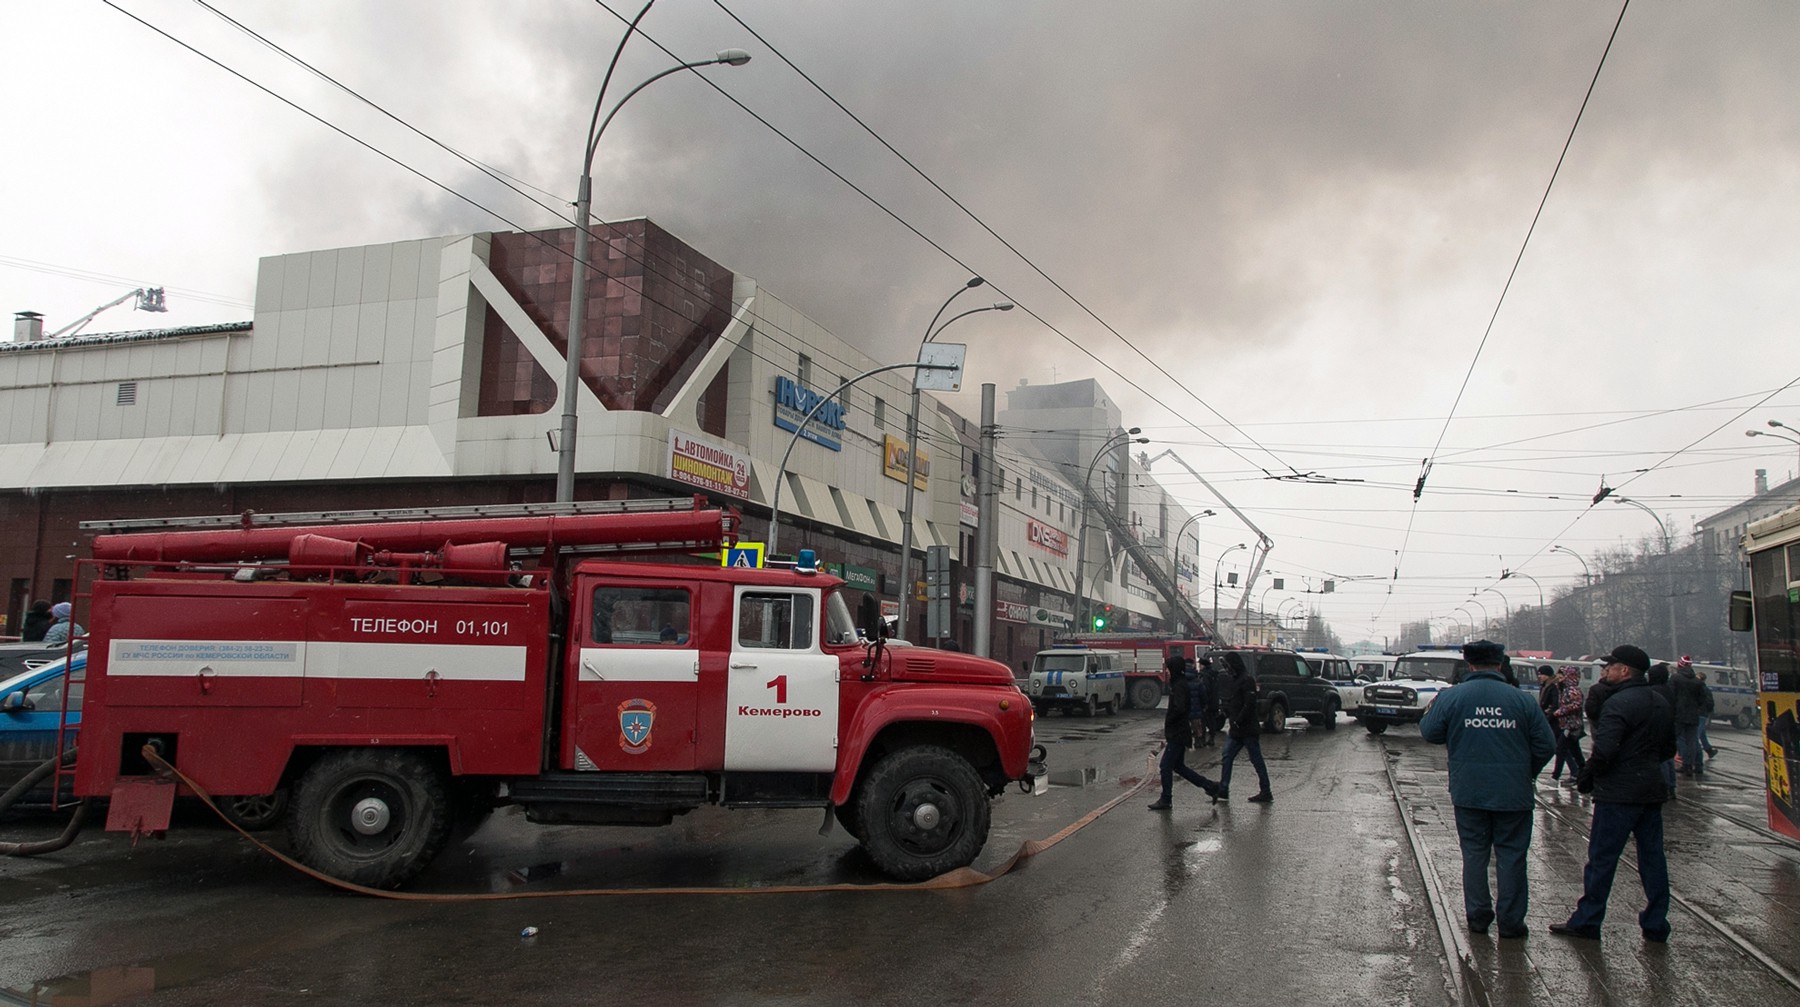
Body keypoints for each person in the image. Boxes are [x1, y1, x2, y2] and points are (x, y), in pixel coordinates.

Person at [1420, 640, 1556, 939]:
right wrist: (1526, 772)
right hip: (1514, 794)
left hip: (1469, 791)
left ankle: (1478, 917)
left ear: (1469, 665)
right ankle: (1511, 922)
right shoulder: (1522, 700)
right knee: (1512, 856)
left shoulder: (1452, 696)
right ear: (1499, 664)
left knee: (1474, 854)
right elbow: (1547, 744)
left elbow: (1430, 733)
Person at [1551, 643, 1677, 943]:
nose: (1604, 671)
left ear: (1624, 671)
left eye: (1609, 667)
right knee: (1652, 859)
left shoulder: (1617, 704)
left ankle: (1588, 920)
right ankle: (1656, 922)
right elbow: (1669, 749)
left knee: (1602, 859)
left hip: (1618, 794)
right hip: (1650, 790)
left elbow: (1604, 749)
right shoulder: (1659, 702)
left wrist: (1587, 775)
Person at [1147, 656, 1220, 810]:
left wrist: (1171, 721)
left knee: (1165, 766)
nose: (1166, 672)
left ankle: (1166, 799)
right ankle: (1210, 786)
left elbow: (1180, 708)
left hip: (1178, 733)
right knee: (1179, 767)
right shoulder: (1179, 684)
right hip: (1179, 732)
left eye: (1168, 669)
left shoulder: (1179, 686)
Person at [1215, 652, 1272, 803]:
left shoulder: (1246, 680)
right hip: (1237, 730)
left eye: (1228, 665)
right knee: (1227, 757)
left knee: (1256, 760)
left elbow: (1249, 704)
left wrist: (1237, 721)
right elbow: (1235, 702)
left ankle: (1266, 791)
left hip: (1247, 729)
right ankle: (1223, 789)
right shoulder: (1235, 680)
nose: (1227, 669)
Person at [1549, 666, 1587, 785]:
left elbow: (1576, 705)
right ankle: (1584, 773)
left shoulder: (1572, 690)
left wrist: (1559, 712)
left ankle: (1555, 777)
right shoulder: (1563, 689)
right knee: (1575, 752)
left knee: (1561, 749)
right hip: (1567, 725)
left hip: (1571, 726)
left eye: (1561, 676)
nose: (1559, 678)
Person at [1671, 657, 1708, 778]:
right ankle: (1691, 765)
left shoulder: (1675, 679)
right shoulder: (1697, 682)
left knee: (1678, 739)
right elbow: (1703, 699)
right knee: (1692, 741)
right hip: (1693, 715)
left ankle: (1683, 764)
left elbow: (1671, 695)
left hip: (1678, 714)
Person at [1196, 658, 1222, 747]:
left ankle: (1203, 740)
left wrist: (1204, 702)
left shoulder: (1205, 675)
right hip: (1214, 702)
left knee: (1203, 721)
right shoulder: (1214, 674)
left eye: (1200, 665)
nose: (1199, 667)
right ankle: (1211, 738)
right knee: (1212, 721)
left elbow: (1205, 689)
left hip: (1207, 703)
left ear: (1203, 666)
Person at [1694, 668, 1718, 759]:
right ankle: (1709, 750)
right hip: (1702, 714)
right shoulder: (1706, 689)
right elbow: (1710, 703)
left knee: (1697, 735)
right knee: (1702, 733)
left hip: (1699, 714)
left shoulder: (1699, 689)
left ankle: (1696, 755)